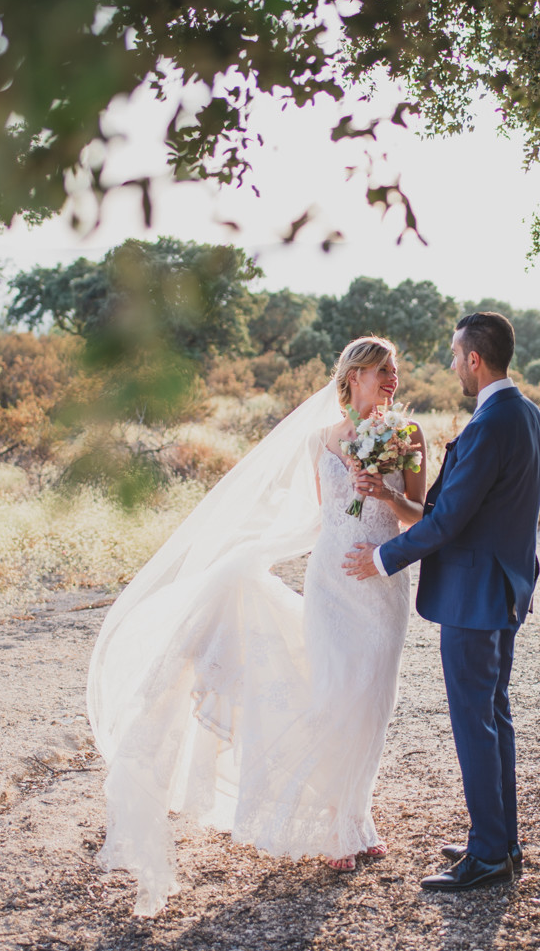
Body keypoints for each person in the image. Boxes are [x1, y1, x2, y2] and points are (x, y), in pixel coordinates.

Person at [87, 336, 426, 915]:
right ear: (353, 377)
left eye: (394, 370)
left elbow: (422, 516)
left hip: (381, 583)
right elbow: (326, 518)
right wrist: (255, 555)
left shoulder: (409, 435)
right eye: (381, 370)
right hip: (331, 581)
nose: (392, 378)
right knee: (332, 693)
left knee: (372, 700)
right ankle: (336, 826)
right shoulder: (320, 439)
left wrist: (386, 493)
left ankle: (355, 814)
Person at [344, 311, 540, 892]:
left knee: (475, 723)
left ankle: (488, 855)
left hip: (475, 596)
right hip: (506, 589)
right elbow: (468, 509)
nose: (453, 364)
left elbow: (448, 523)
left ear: (475, 360)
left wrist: (381, 559)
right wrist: (393, 499)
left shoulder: (490, 424)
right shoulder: (532, 417)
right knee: (493, 716)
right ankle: (501, 842)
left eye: (456, 356)